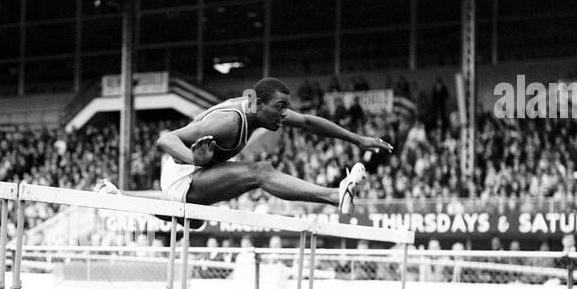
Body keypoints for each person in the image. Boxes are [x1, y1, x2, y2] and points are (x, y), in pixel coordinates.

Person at [99, 78, 392, 213]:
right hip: (182, 175)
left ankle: (121, 197)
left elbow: (309, 123)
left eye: (286, 107)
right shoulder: (228, 123)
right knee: (260, 171)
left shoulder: (260, 110)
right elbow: (166, 138)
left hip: (194, 174)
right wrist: (194, 158)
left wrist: (358, 139)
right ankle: (333, 195)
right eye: (280, 107)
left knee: (256, 172)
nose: (284, 114)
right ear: (259, 103)